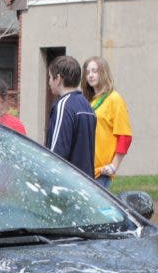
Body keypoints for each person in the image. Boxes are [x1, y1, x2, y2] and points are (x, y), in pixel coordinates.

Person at [82, 56, 133, 188]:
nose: (90, 75)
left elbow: (125, 136)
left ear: (103, 73)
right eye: (87, 72)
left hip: (102, 173)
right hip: (86, 171)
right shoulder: (89, 101)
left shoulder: (114, 99)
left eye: (94, 71)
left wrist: (113, 166)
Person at [45, 55, 96, 174]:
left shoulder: (63, 106)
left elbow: (56, 154)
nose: (49, 82)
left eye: (50, 77)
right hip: (86, 182)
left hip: (67, 183)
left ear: (58, 79)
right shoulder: (87, 106)